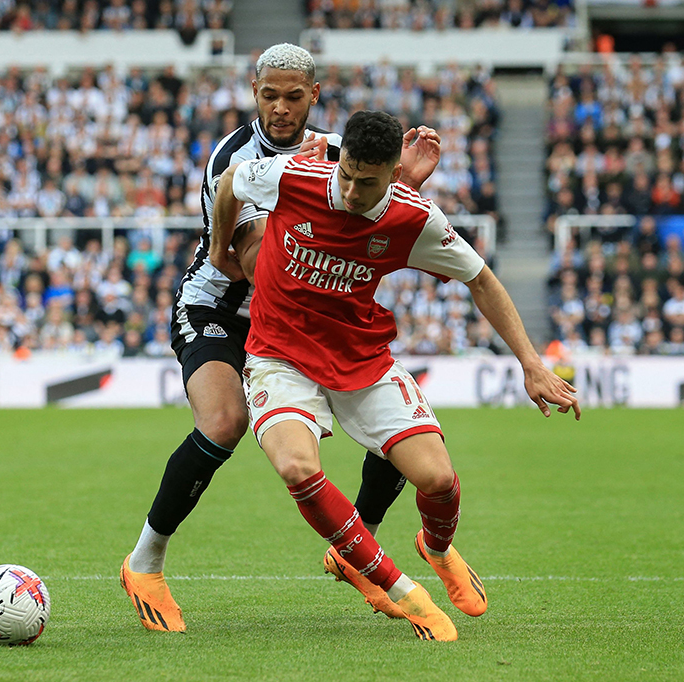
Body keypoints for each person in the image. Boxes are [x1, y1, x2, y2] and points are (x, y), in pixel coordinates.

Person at [209, 111, 580, 641]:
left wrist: (532, 362)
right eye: (348, 175)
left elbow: (481, 280)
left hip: (361, 358)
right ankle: (404, 592)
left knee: (438, 480)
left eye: (369, 181)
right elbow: (230, 182)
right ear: (341, 160)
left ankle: (436, 547)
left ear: (392, 175)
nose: (354, 190)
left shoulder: (415, 217)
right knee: (295, 465)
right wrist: (224, 246)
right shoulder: (295, 176)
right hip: (280, 355)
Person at [120, 44, 443, 632]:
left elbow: (371, 215)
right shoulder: (233, 159)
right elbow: (251, 259)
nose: (280, 107)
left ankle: (357, 549)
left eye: (293, 96)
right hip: (224, 306)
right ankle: (145, 561)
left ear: (313, 96)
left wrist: (401, 189)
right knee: (223, 423)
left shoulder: (339, 154)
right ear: (254, 92)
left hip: (303, 313)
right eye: (269, 95)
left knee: (388, 418)